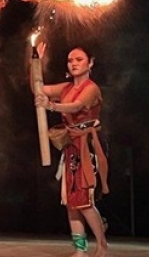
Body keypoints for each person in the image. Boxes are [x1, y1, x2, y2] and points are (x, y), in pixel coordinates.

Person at [33, 43, 109, 257]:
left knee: (84, 201)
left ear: (90, 63)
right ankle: (80, 250)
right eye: (70, 60)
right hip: (71, 147)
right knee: (72, 202)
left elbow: (76, 106)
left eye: (79, 59)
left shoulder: (91, 88)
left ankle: (102, 245)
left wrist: (52, 106)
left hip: (87, 146)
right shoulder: (66, 88)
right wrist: (35, 62)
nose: (74, 63)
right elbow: (37, 88)